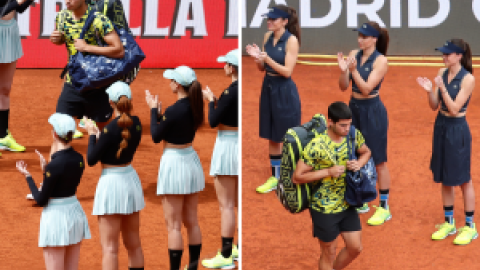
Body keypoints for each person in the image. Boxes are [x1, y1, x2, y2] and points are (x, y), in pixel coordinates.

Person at [293, 102, 370, 270]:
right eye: (343, 125)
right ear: (330, 122)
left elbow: (366, 152)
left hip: (346, 202)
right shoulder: (316, 146)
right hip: (323, 207)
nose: (347, 128)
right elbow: (297, 176)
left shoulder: (353, 135)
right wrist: (328, 172)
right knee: (329, 252)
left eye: (349, 124)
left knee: (355, 248)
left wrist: (359, 163)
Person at [417, 39, 477, 245]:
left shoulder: (468, 79)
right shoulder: (442, 72)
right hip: (441, 126)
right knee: (444, 176)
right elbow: (435, 106)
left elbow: (454, 109)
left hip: (457, 129)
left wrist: (441, 88)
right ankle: (449, 222)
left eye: (448, 54)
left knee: (463, 179)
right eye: (443, 54)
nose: (444, 57)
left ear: (459, 56)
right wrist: (428, 90)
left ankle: (470, 226)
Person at [145, 66, 205, 270]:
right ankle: (193, 266)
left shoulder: (174, 110)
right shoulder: (195, 107)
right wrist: (162, 116)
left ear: (178, 84)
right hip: (190, 161)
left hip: (174, 164)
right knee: (192, 221)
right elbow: (169, 127)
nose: (169, 82)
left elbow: (155, 135)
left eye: (172, 79)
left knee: (173, 226)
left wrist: (153, 110)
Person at [16, 113, 90, 270]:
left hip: (56, 220)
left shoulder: (55, 165)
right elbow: (64, 182)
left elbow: (41, 199)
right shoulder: (79, 159)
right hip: (75, 214)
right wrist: (47, 171)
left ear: (55, 134)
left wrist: (28, 176)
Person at [83, 81, 145, 270]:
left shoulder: (109, 130)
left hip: (111, 185)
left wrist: (93, 134)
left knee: (110, 248)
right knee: (134, 243)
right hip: (130, 181)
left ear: (111, 102)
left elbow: (92, 159)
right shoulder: (138, 124)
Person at [337, 21, 392, 225]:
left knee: (378, 160)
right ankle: (361, 199)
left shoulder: (381, 61)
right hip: (354, 109)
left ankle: (384, 207)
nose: (360, 40)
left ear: (374, 39)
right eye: (359, 36)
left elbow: (367, 88)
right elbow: (344, 87)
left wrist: (354, 71)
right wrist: (344, 71)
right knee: (355, 152)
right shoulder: (354, 53)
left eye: (365, 36)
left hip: (373, 111)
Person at [245, 4, 301, 194]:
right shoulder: (267, 37)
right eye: (268, 18)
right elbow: (263, 68)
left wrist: (266, 58)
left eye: (274, 19)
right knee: (272, 135)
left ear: (285, 21)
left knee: (287, 136)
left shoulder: (292, 41)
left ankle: (291, 176)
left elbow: (287, 71)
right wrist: (258, 60)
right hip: (268, 88)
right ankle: (275, 177)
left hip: (284, 91)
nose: (269, 21)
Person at [50, 0, 124, 139]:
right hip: (73, 83)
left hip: (98, 86)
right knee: (59, 131)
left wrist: (87, 48)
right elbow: (64, 39)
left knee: (103, 135)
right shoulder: (62, 16)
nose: (67, 1)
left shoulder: (99, 19)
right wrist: (58, 39)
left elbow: (119, 50)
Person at [201, 49, 239, 269]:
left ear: (232, 68)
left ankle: (225, 256)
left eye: (225, 63)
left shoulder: (230, 92)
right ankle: (237, 249)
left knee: (226, 206)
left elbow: (213, 120)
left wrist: (210, 102)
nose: (223, 66)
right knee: (236, 204)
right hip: (237, 144)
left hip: (227, 145)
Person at [0, 0, 36, 154]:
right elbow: (3, 9)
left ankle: (2, 137)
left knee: (5, 89)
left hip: (10, 31)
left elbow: (19, 9)